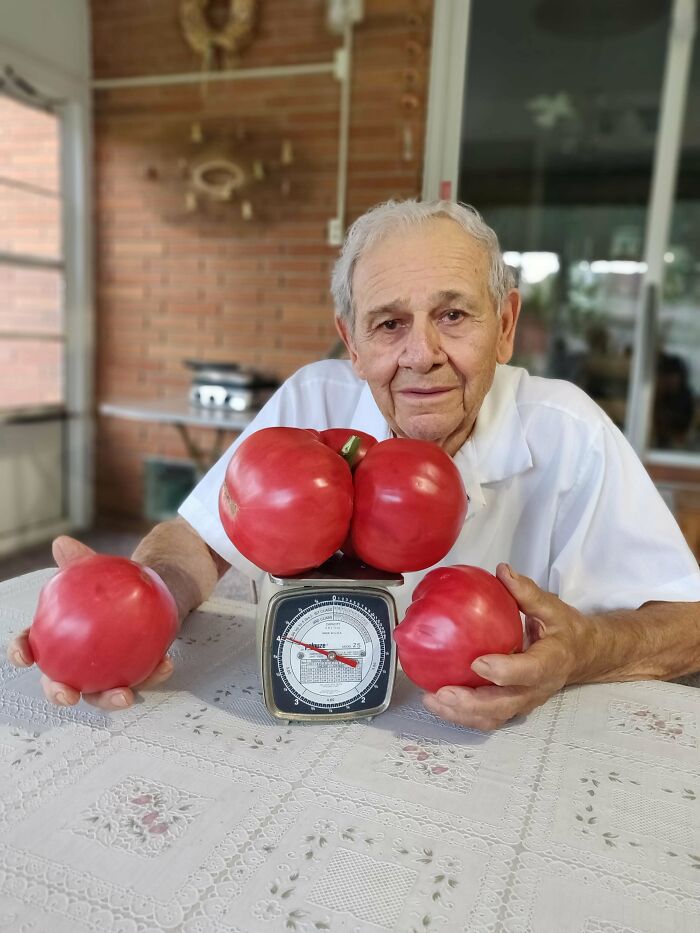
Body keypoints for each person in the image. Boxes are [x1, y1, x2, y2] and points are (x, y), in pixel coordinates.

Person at [7, 199, 700, 731]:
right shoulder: (311, 398)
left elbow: (689, 622)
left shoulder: (569, 429)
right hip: (293, 727)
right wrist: (135, 607)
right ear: (352, 342)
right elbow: (197, 540)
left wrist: (584, 652)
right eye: (389, 323)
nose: (421, 353)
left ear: (506, 325)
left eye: (454, 314)